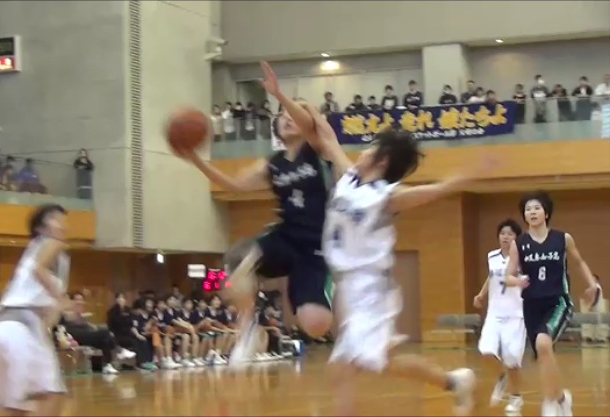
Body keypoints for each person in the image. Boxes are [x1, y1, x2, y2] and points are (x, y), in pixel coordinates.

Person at [315, 111, 497, 414]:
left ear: (382, 160)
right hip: (347, 288)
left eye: (370, 148)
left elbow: (436, 190)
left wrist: (471, 172)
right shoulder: (348, 178)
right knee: (362, 366)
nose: (363, 152)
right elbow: (327, 138)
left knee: (345, 368)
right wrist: (288, 100)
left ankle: (454, 381)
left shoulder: (386, 196)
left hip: (371, 288)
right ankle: (453, 381)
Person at [174, 62, 348, 365]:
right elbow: (234, 185)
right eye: (282, 116)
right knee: (235, 263)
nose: (288, 118)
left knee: (315, 324)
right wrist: (196, 159)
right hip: (285, 236)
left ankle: (324, 292)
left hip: (316, 245)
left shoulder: (317, 149)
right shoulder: (273, 163)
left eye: (294, 114)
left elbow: (309, 124)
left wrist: (280, 95)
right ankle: (248, 327)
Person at [504, 190, 601, 416]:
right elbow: (507, 276)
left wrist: (592, 284)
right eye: (528, 209)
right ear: (524, 215)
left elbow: (579, 262)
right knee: (543, 353)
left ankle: (550, 401)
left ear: (546, 213)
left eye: (536, 208)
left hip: (558, 302)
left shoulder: (562, 239)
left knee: (543, 344)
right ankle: (561, 398)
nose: (532, 212)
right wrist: (517, 281)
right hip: (531, 306)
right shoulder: (519, 244)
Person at [0, 204, 72, 416]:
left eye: (62, 219)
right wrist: (62, 299)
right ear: (40, 228)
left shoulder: (31, 255)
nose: (62, 224)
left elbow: (48, 317)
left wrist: (61, 307)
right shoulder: (51, 243)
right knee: (49, 394)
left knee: (16, 405)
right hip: (21, 327)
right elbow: (38, 270)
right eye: (54, 219)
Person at [473, 219, 525, 413]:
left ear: (517, 237)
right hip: (494, 312)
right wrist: (481, 294)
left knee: (512, 359)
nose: (506, 237)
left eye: (510, 234)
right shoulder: (492, 256)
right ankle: (501, 377)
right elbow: (491, 276)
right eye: (503, 233)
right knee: (486, 351)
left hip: (516, 314)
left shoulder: (523, 258)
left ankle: (516, 397)